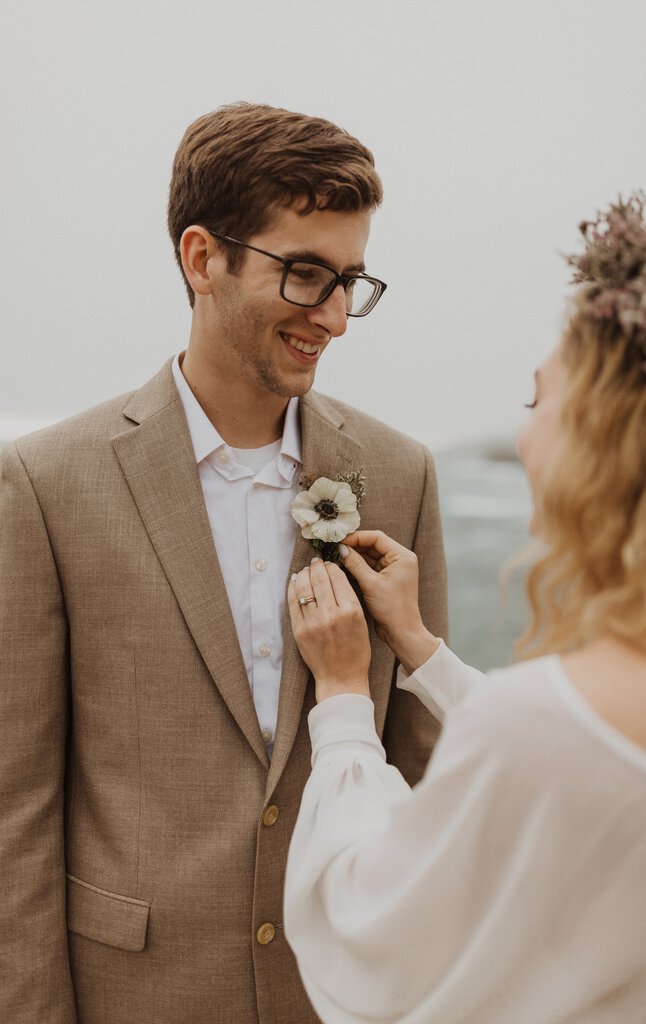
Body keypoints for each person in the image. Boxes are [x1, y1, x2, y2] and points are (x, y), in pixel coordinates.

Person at [0, 103, 448, 1024]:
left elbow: (425, 778)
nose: (333, 317)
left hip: (340, 998)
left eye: (349, 282)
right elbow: (17, 813)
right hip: (136, 995)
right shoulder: (47, 484)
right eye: (305, 275)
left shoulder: (399, 474)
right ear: (201, 259)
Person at [284, 194, 646, 1023]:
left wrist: (345, 700)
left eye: (539, 405)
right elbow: (577, 762)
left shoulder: (542, 726)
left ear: (600, 439)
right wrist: (422, 648)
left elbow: (364, 925)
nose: (525, 437)